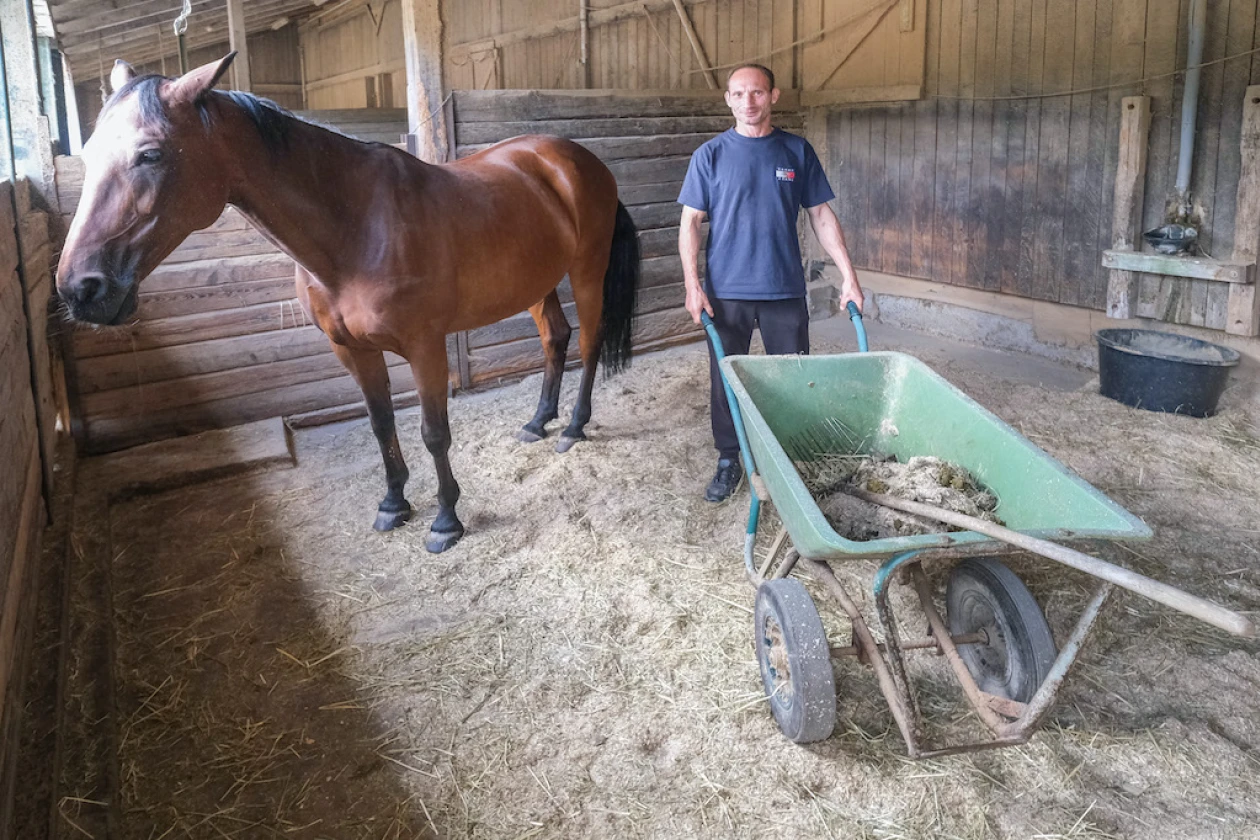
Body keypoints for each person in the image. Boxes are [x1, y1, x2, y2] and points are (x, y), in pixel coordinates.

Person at [678, 63, 865, 503]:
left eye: (758, 93)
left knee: (794, 377)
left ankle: (791, 455)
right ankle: (730, 457)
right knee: (727, 379)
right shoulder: (710, 155)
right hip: (726, 292)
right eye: (739, 94)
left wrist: (849, 277)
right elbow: (690, 223)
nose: (748, 102)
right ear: (728, 99)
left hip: (784, 288)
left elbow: (821, 215)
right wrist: (692, 284)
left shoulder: (796, 151)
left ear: (773, 96)